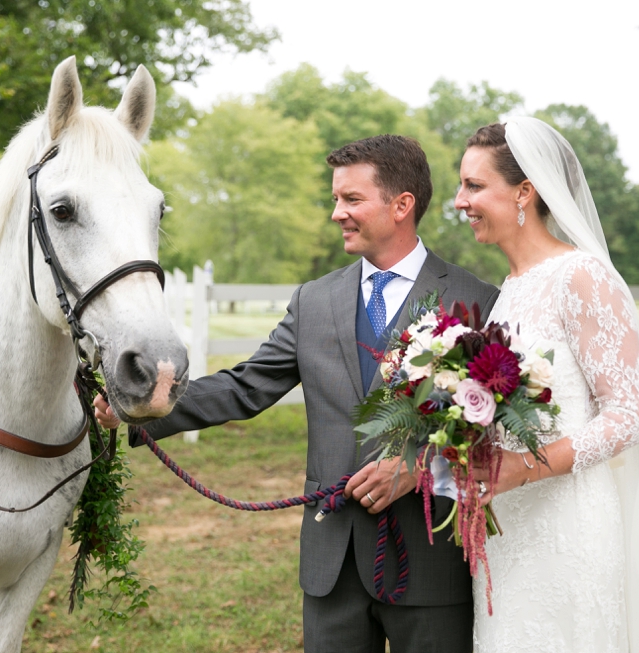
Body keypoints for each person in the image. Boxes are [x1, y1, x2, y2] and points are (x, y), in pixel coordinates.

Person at [96, 134, 499, 652]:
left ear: (402, 206)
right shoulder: (315, 300)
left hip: (429, 561)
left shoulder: (476, 301)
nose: (337, 213)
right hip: (332, 564)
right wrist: (147, 404)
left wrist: (417, 464)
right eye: (335, 199)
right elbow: (246, 386)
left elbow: (491, 433)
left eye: (351, 199)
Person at [453, 118, 639, 652]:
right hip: (511, 531)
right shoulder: (509, 289)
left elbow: (629, 414)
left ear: (524, 191)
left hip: (568, 525)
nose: (460, 201)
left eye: (474, 186)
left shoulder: (582, 276)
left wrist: (522, 468)